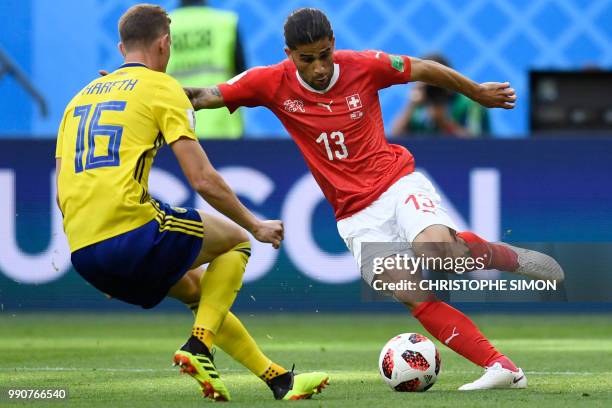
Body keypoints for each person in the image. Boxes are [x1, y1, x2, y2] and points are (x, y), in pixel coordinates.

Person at [185, 7, 564, 391]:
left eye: (324, 55)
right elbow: (204, 95)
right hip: (354, 216)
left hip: (396, 183)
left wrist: (477, 91)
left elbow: (422, 67)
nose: (318, 67)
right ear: (289, 54)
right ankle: (503, 368)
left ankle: (511, 257)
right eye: (306, 59)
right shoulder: (268, 82)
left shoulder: (364, 66)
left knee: (440, 252)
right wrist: (161, 95)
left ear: (333, 45)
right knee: (412, 294)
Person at [55, 4, 327, 402]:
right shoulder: (160, 86)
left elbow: (63, 190)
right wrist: (256, 224)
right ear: (164, 44)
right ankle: (199, 347)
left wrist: (101, 255)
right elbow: (202, 179)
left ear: (121, 47)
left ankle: (279, 380)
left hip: (85, 252)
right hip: (129, 234)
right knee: (236, 241)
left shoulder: (76, 101)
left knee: (200, 293)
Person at [167, 0, 245, 138]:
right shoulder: (226, 22)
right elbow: (242, 75)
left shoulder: (163, 26)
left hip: (176, 127)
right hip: (223, 126)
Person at [391, 54, 490, 138]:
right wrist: (411, 105)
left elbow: (477, 144)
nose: (434, 87)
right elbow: (396, 136)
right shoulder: (419, 103)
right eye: (427, 81)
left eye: (437, 81)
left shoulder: (469, 104)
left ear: (450, 80)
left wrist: (444, 123)